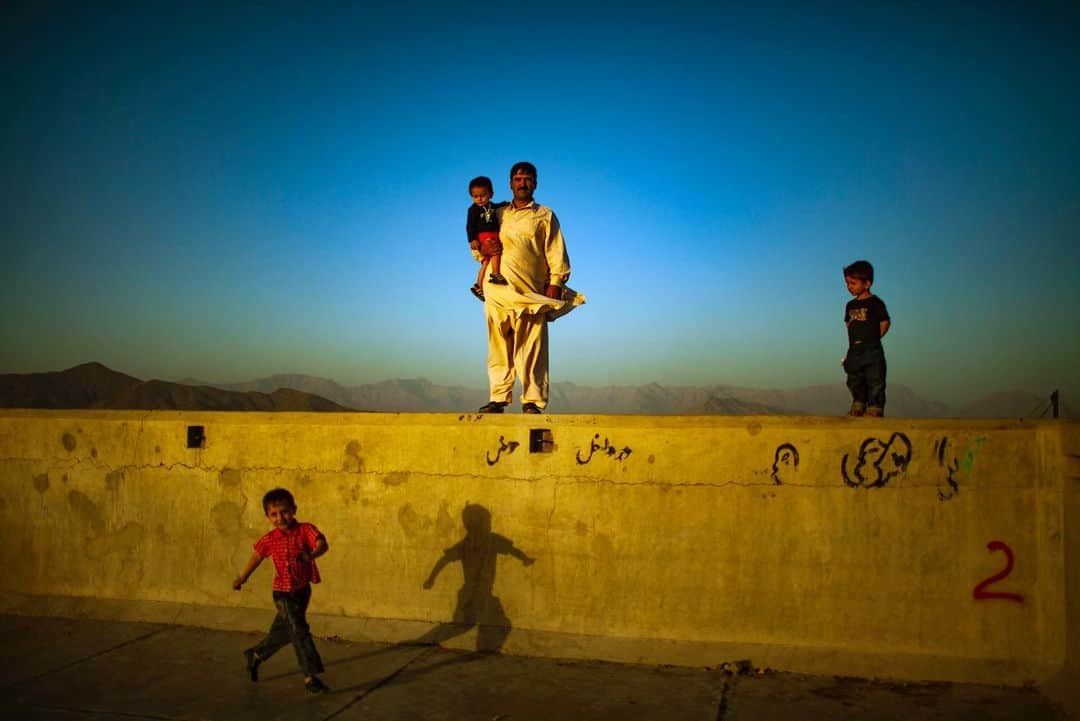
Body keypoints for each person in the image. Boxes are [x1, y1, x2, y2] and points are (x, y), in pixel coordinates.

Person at [475, 162, 585, 414]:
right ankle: (499, 398)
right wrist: (482, 249)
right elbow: (477, 248)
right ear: (510, 183)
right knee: (499, 345)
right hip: (497, 291)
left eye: (527, 179)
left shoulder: (544, 216)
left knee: (532, 346)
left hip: (530, 291)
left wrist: (555, 285)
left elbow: (557, 254)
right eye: (517, 179)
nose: (522, 183)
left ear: (535, 183)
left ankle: (533, 401)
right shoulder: (497, 213)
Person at [232, 488, 330, 694]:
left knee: (286, 631)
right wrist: (243, 577)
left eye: (284, 512)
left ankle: (256, 655)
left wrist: (311, 555)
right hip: (282, 594)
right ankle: (310, 676)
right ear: (267, 516)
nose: (280, 518)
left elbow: (322, 544)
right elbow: (257, 557)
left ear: (293, 510)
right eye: (274, 514)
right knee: (299, 630)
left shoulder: (305, 530)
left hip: (302, 592)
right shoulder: (269, 539)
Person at [842, 260, 891, 417]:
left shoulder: (876, 303)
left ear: (867, 283)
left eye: (853, 283)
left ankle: (875, 406)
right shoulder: (850, 305)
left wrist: (875, 337)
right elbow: (848, 324)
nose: (849, 287)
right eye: (847, 283)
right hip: (854, 348)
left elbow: (885, 322)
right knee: (854, 376)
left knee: (875, 377)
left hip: (872, 347)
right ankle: (859, 402)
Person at [466, 176, 508, 300]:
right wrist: (472, 239)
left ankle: (478, 285)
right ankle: (495, 274)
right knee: (496, 251)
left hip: (492, 232)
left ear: (491, 194)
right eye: (475, 196)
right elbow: (470, 226)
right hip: (484, 234)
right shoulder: (473, 209)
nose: (479, 199)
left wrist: (505, 204)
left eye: (482, 195)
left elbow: (497, 205)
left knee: (485, 262)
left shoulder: (491, 206)